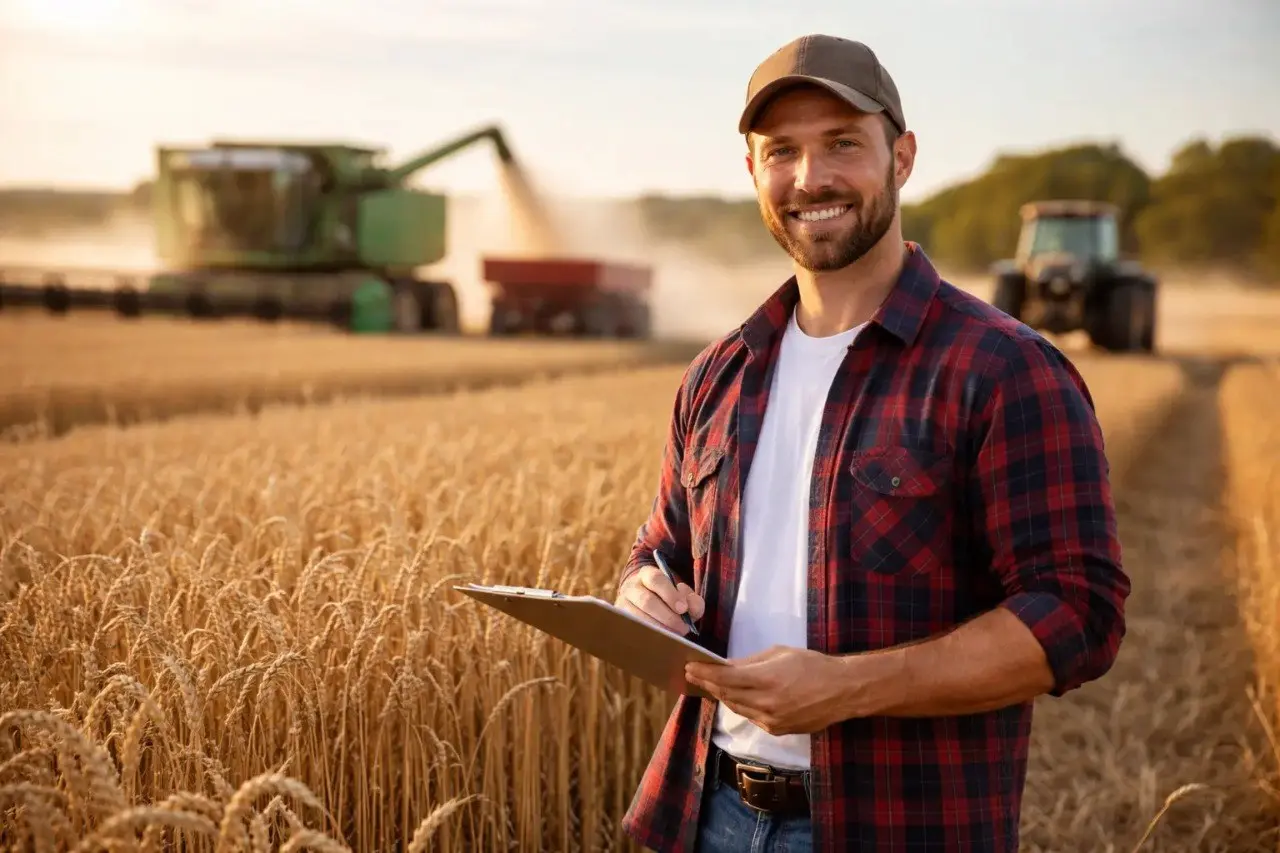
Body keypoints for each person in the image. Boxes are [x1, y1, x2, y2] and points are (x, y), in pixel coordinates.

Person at [612, 33, 1131, 853]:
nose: (810, 178)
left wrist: (847, 687)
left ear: (903, 156)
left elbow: (1077, 613)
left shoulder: (1004, 369)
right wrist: (644, 587)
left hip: (899, 825)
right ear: (752, 172)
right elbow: (662, 544)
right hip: (704, 811)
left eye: (842, 144)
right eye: (781, 151)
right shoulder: (719, 374)